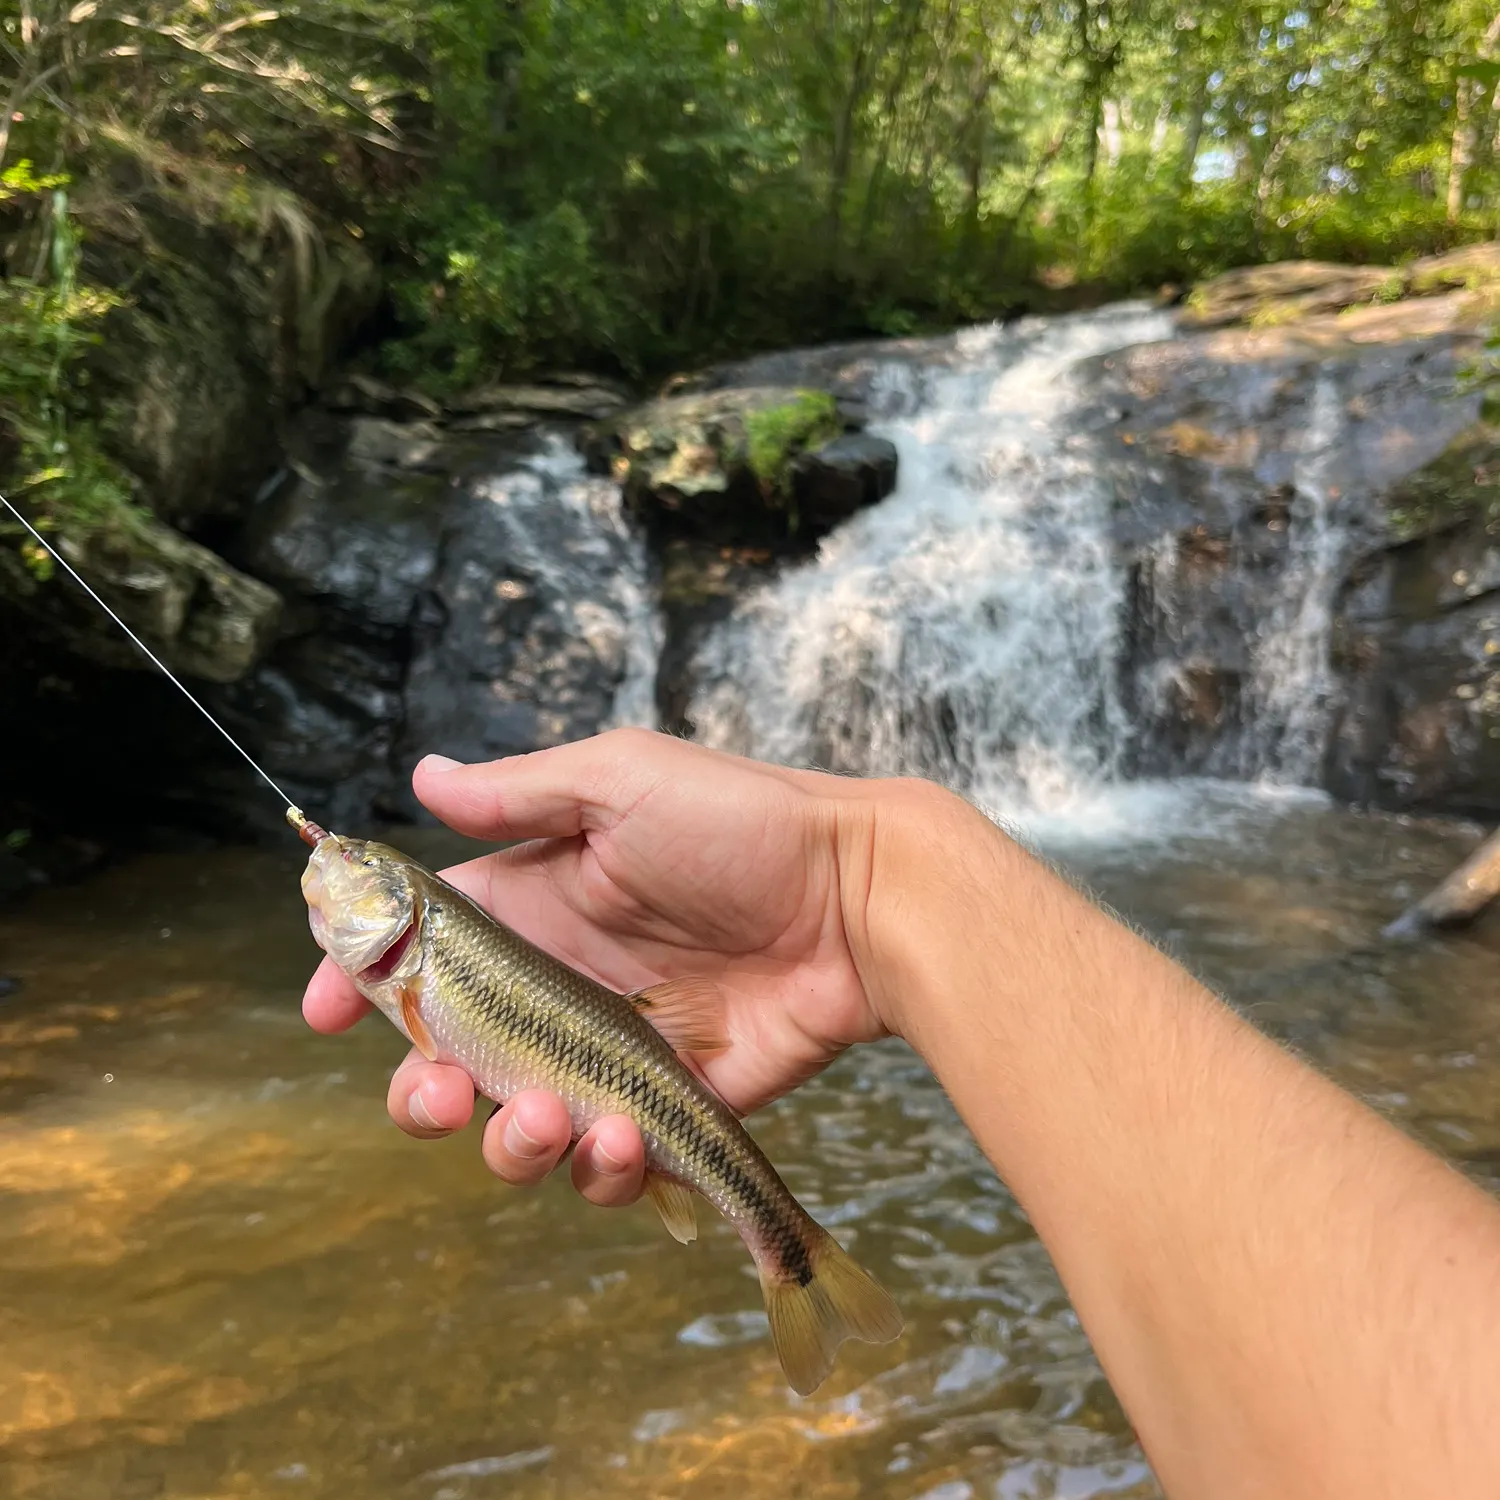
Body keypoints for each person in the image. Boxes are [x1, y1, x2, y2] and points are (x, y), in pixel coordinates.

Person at [303, 729, 1500, 1498]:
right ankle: (794, 1251)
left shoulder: (420, 947)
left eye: (359, 861)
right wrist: (855, 881)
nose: (335, 864)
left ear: (394, 913)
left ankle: (794, 1255)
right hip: (613, 1046)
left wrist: (860, 878)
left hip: (607, 1049)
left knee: (605, 1138)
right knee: (611, 1140)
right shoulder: (419, 942)